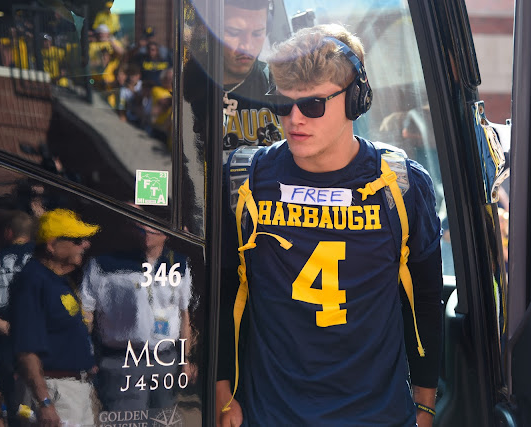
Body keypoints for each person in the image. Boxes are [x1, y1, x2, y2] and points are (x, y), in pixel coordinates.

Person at [217, 24, 443, 426]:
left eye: (313, 105)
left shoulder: (401, 186)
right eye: (283, 104)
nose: (294, 119)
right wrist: (223, 396)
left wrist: (425, 406)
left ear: (356, 99)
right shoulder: (245, 182)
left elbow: (424, 300)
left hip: (377, 418)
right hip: (271, 417)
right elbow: (222, 293)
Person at [80, 217, 195, 411]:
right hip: (122, 360)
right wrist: (86, 355)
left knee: (163, 420)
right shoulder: (104, 264)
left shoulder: (179, 264)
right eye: (141, 222)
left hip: (165, 359)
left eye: (154, 224)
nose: (146, 229)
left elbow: (184, 315)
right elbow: (87, 313)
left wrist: (185, 358)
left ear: (168, 232)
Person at [9, 209, 100, 427]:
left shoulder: (59, 280)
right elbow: (27, 349)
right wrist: (45, 402)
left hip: (75, 389)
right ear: (51, 245)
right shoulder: (32, 281)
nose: (85, 245)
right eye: (77, 240)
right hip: (54, 390)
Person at [184, 0, 284, 162]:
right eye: (234, 32)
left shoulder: (280, 84)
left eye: (257, 33)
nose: (246, 46)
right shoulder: (189, 86)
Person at [0, 211, 34, 426]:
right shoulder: (42, 258)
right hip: (39, 339)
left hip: (6, 338)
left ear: (8, 232)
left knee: (15, 402)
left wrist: (0, 323)